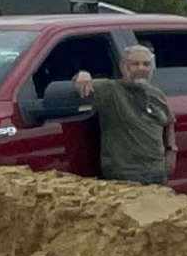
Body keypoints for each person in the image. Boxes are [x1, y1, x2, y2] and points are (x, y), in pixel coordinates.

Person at [71, 44, 175, 186]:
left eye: (146, 64)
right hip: (125, 175)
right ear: (123, 66)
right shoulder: (110, 90)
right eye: (135, 64)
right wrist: (82, 75)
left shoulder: (156, 94)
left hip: (157, 171)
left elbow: (169, 122)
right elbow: (81, 86)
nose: (141, 68)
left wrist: (171, 151)